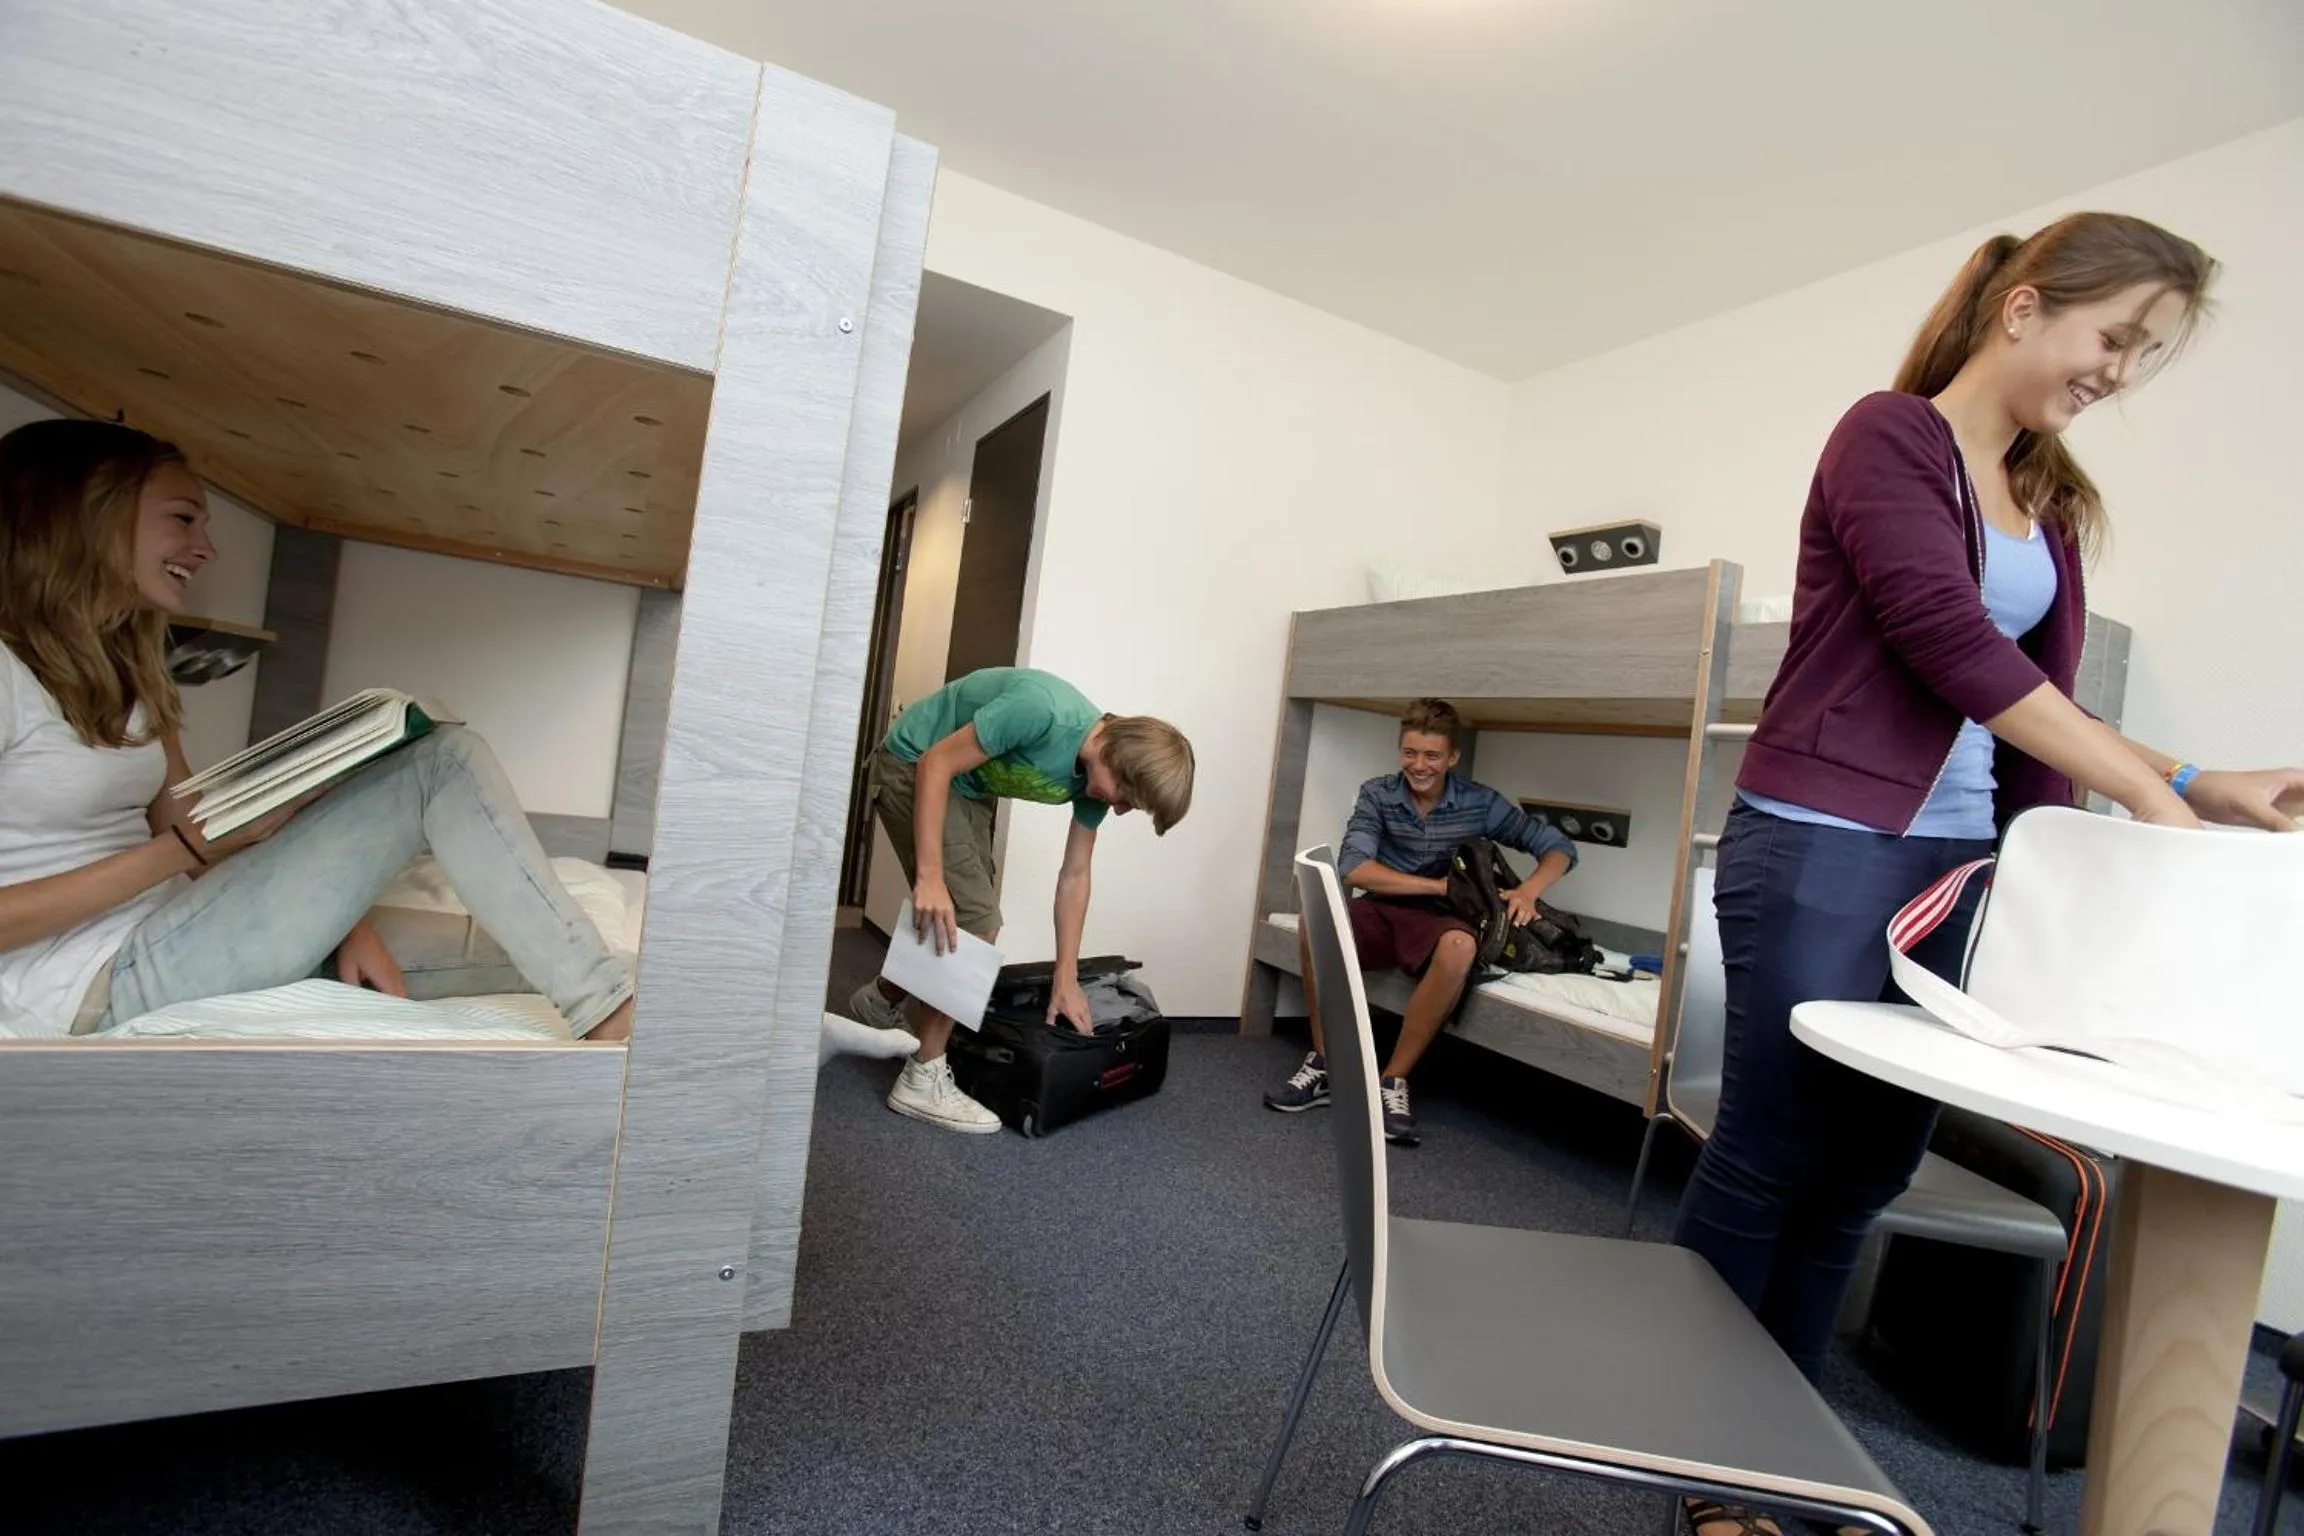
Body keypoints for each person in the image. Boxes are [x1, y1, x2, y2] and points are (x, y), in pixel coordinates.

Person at [1670, 214, 2304, 1536]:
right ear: (2024, 307)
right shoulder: (1888, 437)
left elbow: (2040, 702)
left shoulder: (2047, 497)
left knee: (1862, 1182)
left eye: (2145, 354)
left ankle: (1782, 1454)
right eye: (2112, 336)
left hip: (1959, 875)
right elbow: (1951, 645)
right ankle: (1707, 1476)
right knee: (1771, 1158)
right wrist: (2140, 785)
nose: (2119, 372)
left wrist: (2194, 782)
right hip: (1825, 846)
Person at [0, 419, 636, 1041]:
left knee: (607, 964)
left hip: (187, 931)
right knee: (442, 762)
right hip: (85, 984)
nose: (205, 548)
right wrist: (185, 853)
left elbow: (187, 822)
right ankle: (608, 1018)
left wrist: (344, 925)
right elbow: (188, 843)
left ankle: (610, 998)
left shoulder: (129, 668)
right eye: (182, 518)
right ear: (89, 518)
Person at [846, 666, 1194, 1133]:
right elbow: (935, 763)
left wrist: (1064, 976)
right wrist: (929, 877)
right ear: (1116, 755)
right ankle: (922, 1078)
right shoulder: (1041, 711)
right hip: (913, 764)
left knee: (964, 907)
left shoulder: (1090, 778)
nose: (1120, 809)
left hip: (963, 788)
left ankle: (877, 1003)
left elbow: (1075, 875)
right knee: (975, 918)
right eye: (1128, 797)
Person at [1264, 697, 1577, 1146]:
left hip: (1442, 919)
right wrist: (1440, 887)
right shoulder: (1378, 794)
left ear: (1452, 757)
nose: (1419, 765)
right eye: (1410, 753)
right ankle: (1325, 1063)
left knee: (1461, 948)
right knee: (1317, 921)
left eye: (1432, 755)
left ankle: (1392, 1080)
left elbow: (1558, 847)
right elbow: (1355, 868)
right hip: (1386, 904)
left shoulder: (1480, 803)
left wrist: (1528, 891)